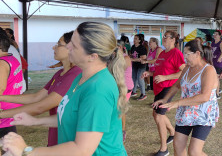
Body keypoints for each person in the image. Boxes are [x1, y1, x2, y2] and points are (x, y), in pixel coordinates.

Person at [2, 22, 129, 156]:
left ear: (93, 56)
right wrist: (35, 121)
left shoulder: (98, 90)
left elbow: (82, 150)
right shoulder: (81, 77)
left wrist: (26, 151)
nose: (68, 47)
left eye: (74, 45)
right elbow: (69, 116)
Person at [0, 31, 81, 147]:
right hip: (57, 134)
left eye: (59, 44)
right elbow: (36, 97)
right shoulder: (60, 73)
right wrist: (1, 98)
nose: (54, 47)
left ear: (71, 48)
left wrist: (2, 114)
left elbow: (40, 106)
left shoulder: (74, 74)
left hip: (69, 139)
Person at [152, 40, 219, 156]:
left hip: (203, 114)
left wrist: (177, 103)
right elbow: (177, 84)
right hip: (186, 112)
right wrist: (165, 99)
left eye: (187, 54)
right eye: (184, 54)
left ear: (197, 53)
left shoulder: (208, 70)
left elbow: (204, 96)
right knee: (178, 147)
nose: (185, 57)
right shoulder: (187, 68)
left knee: (194, 152)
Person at [142, 31, 185, 156]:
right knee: (156, 114)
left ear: (173, 40)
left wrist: (166, 78)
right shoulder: (162, 53)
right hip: (159, 88)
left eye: (166, 37)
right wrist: (150, 74)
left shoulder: (176, 53)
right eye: (163, 36)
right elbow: (160, 71)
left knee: (159, 116)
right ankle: (172, 132)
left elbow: (183, 72)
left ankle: (164, 149)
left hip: (168, 87)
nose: (164, 38)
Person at [0, 32, 23, 139]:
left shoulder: (1, 64)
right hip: (11, 110)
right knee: (8, 143)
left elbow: (0, 88)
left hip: (3, 112)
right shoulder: (12, 59)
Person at [117, 39, 134, 142]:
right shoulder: (114, 58)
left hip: (126, 87)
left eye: (117, 47)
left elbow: (118, 70)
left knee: (120, 108)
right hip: (118, 86)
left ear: (122, 48)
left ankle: (123, 130)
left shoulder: (126, 58)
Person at [130, 34, 147, 100]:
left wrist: (133, 59)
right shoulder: (133, 46)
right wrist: (130, 57)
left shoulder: (142, 48)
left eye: (136, 38)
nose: (134, 40)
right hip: (135, 65)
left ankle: (143, 94)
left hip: (141, 66)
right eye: (134, 38)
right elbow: (132, 55)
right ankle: (133, 92)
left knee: (140, 79)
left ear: (140, 40)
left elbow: (143, 58)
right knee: (134, 78)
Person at [211, 31, 222, 99]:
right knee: (214, 78)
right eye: (214, 34)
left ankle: (217, 94)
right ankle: (218, 89)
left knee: (216, 78)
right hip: (213, 63)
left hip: (219, 64)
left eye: (216, 34)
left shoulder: (221, 43)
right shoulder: (212, 43)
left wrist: (220, 58)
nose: (215, 35)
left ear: (220, 36)